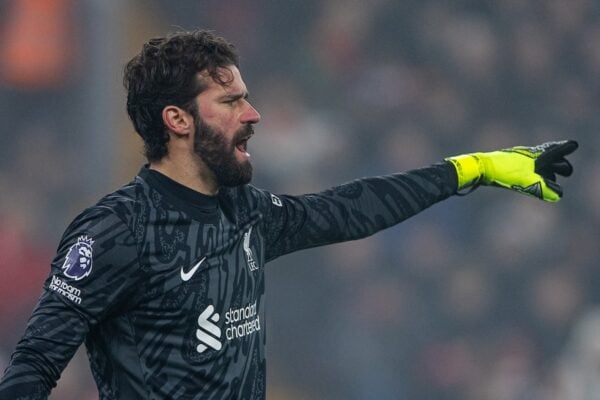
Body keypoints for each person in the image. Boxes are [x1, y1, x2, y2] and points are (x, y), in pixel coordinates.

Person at [0, 29, 578, 400]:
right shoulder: (116, 231)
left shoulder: (247, 213)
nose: (253, 114)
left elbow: (354, 209)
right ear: (177, 120)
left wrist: (475, 166)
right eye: (230, 102)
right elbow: (33, 365)